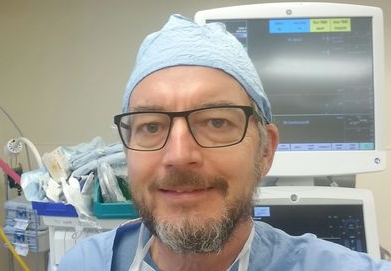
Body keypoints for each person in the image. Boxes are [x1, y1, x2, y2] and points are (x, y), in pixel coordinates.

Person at [58, 14, 391, 271]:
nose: (178, 155)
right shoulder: (84, 263)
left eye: (216, 122)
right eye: (151, 126)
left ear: (265, 150)